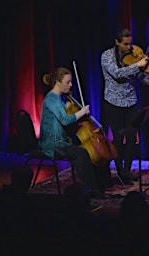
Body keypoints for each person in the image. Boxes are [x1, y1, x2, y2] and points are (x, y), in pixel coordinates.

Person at [101, 28, 149, 184]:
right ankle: (119, 170)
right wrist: (137, 65)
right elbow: (116, 73)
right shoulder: (107, 56)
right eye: (126, 44)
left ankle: (127, 170)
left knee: (131, 137)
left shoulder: (134, 55)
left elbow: (143, 79)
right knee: (118, 137)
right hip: (113, 102)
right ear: (117, 42)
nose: (129, 48)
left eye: (130, 43)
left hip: (131, 101)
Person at [39, 67, 107, 199]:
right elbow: (64, 120)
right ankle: (92, 189)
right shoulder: (51, 99)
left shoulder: (58, 99)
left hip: (62, 141)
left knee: (93, 149)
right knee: (81, 153)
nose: (70, 85)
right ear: (58, 82)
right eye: (67, 82)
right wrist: (81, 112)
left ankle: (101, 185)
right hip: (53, 144)